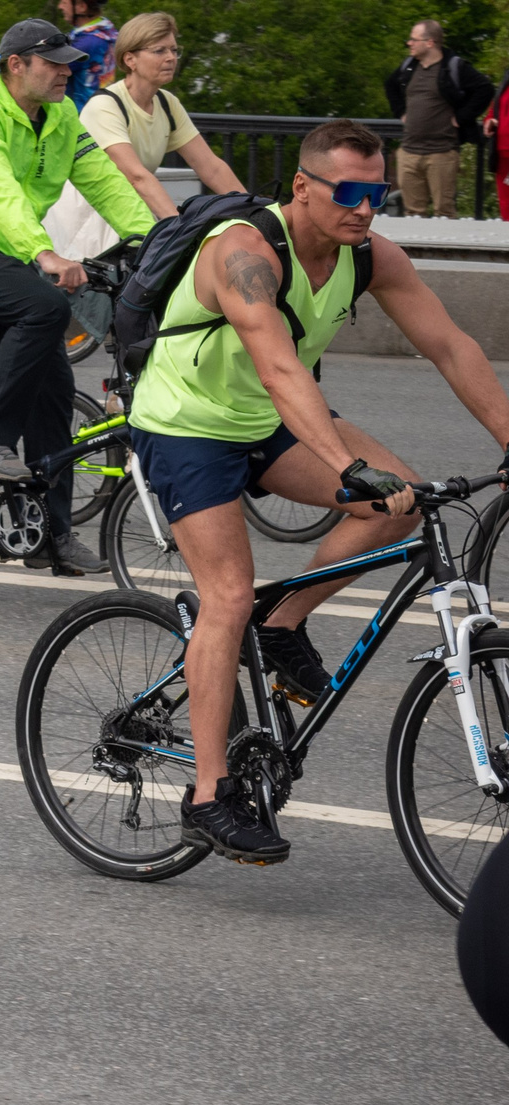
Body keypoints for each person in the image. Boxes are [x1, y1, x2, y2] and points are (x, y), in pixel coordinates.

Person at [130, 119, 509, 864]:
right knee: (227, 595)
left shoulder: (369, 256)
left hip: (267, 421)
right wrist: (344, 463)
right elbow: (278, 366)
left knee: (398, 507)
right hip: (186, 426)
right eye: (350, 193)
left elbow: (450, 346)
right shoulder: (243, 252)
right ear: (303, 186)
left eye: (378, 194)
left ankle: (281, 626)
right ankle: (208, 795)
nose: (365, 209)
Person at [0, 18, 151, 574]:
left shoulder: (62, 118)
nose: (67, 72)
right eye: (54, 64)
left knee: (54, 391)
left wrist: (155, 243)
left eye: (69, 64)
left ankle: (50, 536)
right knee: (46, 307)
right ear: (16, 65)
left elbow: (106, 183)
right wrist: (44, 253)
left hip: (6, 256)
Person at [80, 13, 242, 220]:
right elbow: (137, 178)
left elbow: (212, 168)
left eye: (174, 50)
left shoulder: (167, 104)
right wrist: (176, 226)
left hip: (127, 214)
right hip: (88, 222)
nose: (171, 58)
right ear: (130, 60)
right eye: (159, 51)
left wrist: (255, 211)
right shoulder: (104, 107)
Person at [388, 19, 490, 219]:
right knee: (413, 215)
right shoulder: (409, 67)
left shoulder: (453, 67)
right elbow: (390, 86)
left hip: (441, 153)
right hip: (408, 152)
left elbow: (484, 89)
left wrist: (461, 117)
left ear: (430, 42)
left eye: (414, 39)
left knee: (444, 213)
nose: (409, 43)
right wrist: (401, 111)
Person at [55, 0, 116, 108]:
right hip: (99, 106)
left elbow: (52, 69)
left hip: (83, 113)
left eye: (64, 2)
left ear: (81, 7)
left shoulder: (86, 44)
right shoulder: (105, 31)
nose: (60, 6)